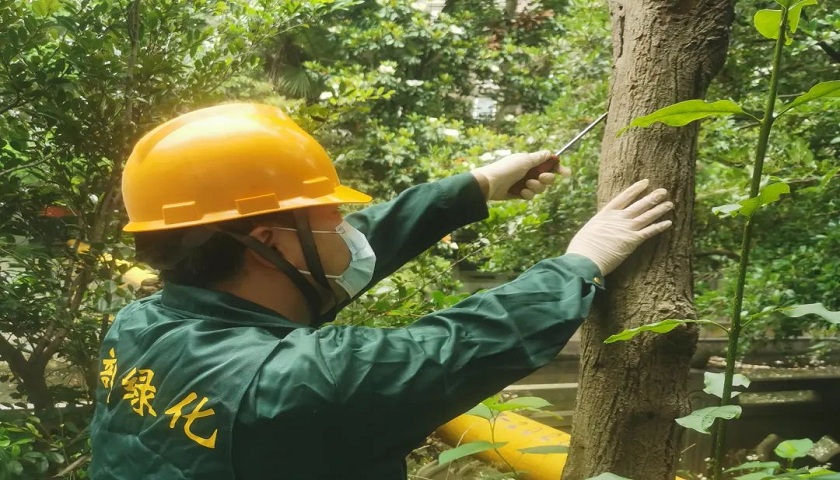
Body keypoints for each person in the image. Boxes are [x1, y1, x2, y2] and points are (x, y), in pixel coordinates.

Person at [89, 102, 674, 479]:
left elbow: (326, 254)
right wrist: (579, 263)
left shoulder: (141, 323)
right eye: (333, 216)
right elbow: (457, 345)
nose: (348, 229)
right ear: (267, 241)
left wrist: (474, 187)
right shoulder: (292, 384)